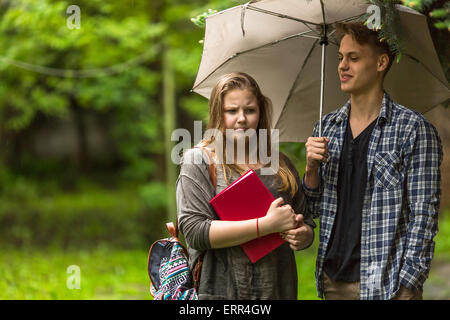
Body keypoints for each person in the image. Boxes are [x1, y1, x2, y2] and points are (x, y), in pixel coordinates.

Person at [298, 22, 443, 300]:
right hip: (332, 281)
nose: (342, 66)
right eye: (340, 57)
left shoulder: (412, 129)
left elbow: (424, 214)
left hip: (386, 284)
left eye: (353, 58)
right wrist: (311, 169)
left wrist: (408, 285)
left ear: (381, 62)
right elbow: (313, 208)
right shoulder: (325, 128)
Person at [176, 72, 316, 299]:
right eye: (232, 111)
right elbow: (195, 232)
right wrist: (265, 225)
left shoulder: (280, 164)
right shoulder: (200, 161)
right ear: (217, 114)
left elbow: (306, 222)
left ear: (260, 113)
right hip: (220, 292)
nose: (242, 118)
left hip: (277, 289)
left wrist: (302, 234)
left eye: (250, 110)